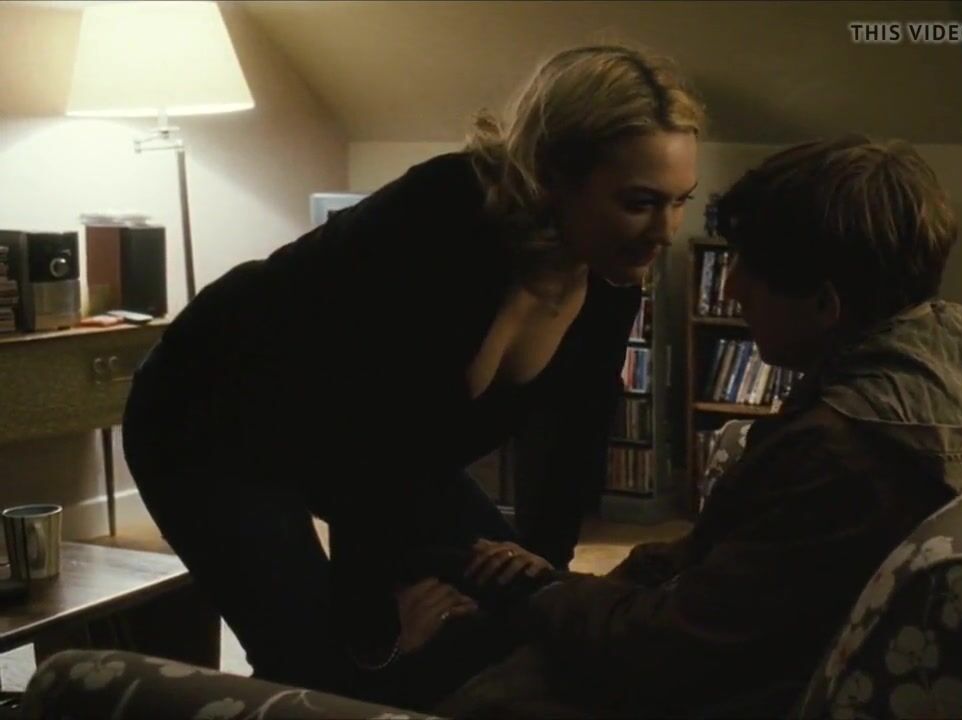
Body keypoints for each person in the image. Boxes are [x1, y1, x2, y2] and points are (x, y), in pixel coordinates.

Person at [119, 45, 703, 709]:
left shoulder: (612, 271)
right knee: (321, 668)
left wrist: (545, 562)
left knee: (511, 607)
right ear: (555, 174)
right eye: (640, 203)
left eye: (679, 202)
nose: (665, 231)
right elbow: (360, 436)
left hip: (384, 450)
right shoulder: (441, 214)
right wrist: (378, 620)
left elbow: (571, 435)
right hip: (211, 418)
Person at [437, 136, 962, 718]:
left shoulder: (839, 453)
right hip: (758, 656)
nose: (730, 290)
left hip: (730, 695)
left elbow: (675, 647)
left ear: (825, 304)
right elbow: (725, 563)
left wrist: (542, 596)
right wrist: (571, 584)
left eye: (747, 270)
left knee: (477, 686)